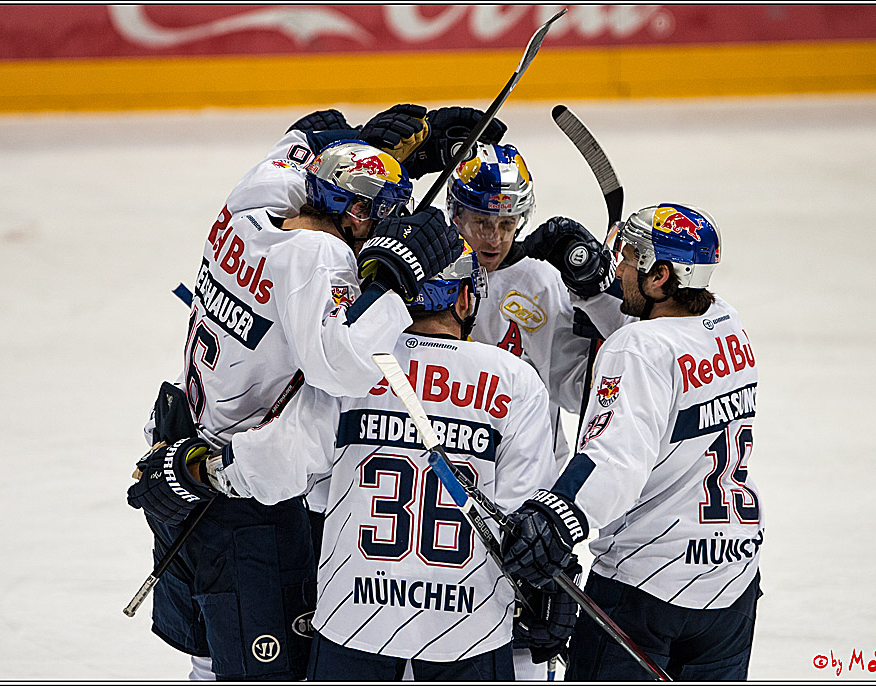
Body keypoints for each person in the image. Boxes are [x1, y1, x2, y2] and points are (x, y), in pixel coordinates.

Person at [127, 103, 496, 680]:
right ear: (351, 213)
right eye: (378, 215)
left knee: (211, 655)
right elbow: (340, 367)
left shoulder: (250, 203)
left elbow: (303, 134)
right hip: (237, 494)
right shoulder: (318, 255)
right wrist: (395, 276)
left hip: (179, 453)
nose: (380, 228)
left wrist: (368, 146)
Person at [183, 244, 566, 680]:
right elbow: (526, 512)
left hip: (355, 617)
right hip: (467, 627)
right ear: (465, 299)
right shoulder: (515, 381)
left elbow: (278, 465)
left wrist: (201, 469)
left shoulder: (354, 367)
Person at [500, 204, 764, 681]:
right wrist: (592, 293)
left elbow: (615, 458)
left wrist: (556, 515)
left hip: (647, 586)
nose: (616, 267)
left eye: (627, 257)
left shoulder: (636, 350)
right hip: (732, 580)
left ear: (659, 275)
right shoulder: (728, 325)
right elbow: (661, 353)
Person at [444, 141, 627, 678]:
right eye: (479, 221)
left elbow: (578, 392)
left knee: (526, 661)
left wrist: (597, 311)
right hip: (440, 492)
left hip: (528, 513)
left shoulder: (544, 282)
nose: (492, 237)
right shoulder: (430, 274)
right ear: (454, 213)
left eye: (506, 223)